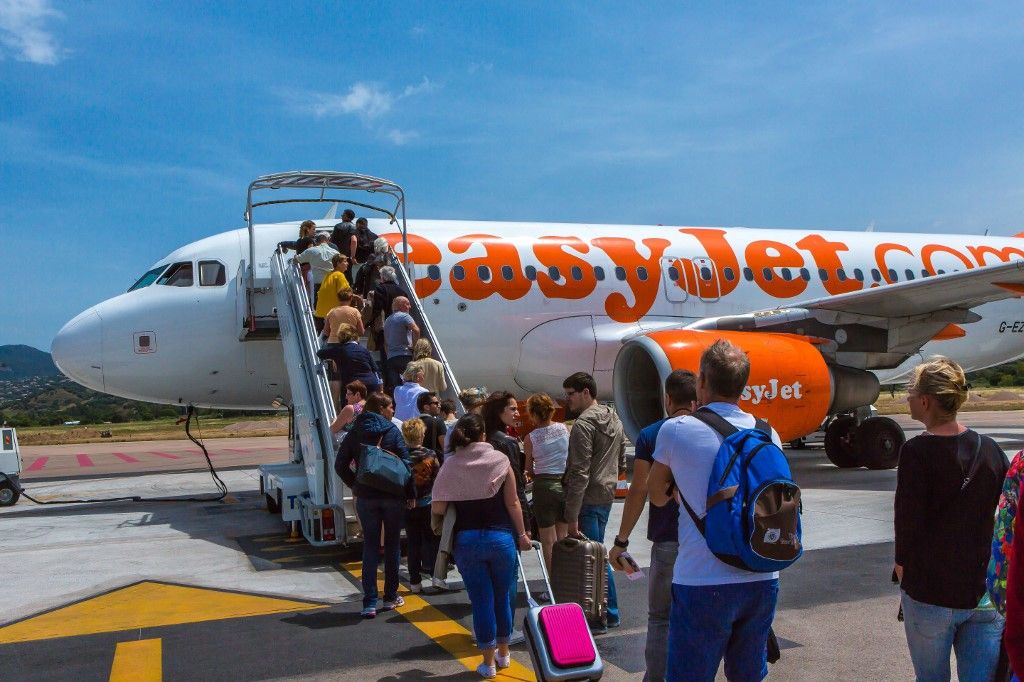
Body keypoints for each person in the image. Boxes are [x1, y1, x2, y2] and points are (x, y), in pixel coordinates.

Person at [647, 340, 784, 682]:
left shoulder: (676, 430)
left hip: (702, 579)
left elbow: (656, 496)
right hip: (762, 574)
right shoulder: (768, 433)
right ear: (743, 385)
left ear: (702, 381)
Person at [893, 357, 1007, 682]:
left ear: (926, 401)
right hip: (983, 592)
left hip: (931, 593)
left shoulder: (916, 452)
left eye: (911, 391)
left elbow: (907, 522)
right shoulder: (990, 449)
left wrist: (902, 568)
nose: (907, 397)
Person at [609, 370, 696, 682]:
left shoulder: (652, 434)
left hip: (667, 541)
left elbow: (639, 490)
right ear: (696, 400)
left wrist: (621, 541)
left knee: (660, 618)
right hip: (703, 543)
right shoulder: (710, 430)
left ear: (668, 399)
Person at [432, 414, 532, 679]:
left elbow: (438, 507)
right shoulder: (501, 461)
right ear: (484, 436)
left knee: (481, 601)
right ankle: (504, 654)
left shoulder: (451, 464)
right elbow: (513, 502)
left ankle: (488, 664)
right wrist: (522, 534)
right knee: (503, 597)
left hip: (467, 541)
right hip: (502, 539)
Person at [335, 392, 414, 619]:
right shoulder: (391, 431)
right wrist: (410, 493)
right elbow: (406, 465)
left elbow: (340, 465)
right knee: (392, 545)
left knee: (370, 546)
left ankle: (369, 602)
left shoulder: (355, 431)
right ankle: (390, 597)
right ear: (381, 408)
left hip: (366, 497)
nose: (393, 411)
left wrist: (356, 485)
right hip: (392, 495)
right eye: (390, 407)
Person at [561, 371, 625, 631]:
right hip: (606, 493)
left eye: (571, 394)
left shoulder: (583, 425)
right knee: (598, 553)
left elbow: (579, 472)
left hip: (587, 497)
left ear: (586, 392)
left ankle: (607, 613)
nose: (567, 399)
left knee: (594, 558)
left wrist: (571, 515)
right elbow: (621, 461)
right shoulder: (614, 418)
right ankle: (608, 612)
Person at [523, 393, 570, 570]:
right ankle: (566, 578)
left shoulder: (531, 438)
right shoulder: (565, 429)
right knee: (563, 536)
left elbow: (529, 469)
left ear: (532, 414)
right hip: (565, 483)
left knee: (548, 540)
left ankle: (553, 581)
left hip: (543, 486)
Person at [482, 391, 532, 538]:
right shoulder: (507, 442)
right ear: (499, 411)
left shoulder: (481, 438)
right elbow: (516, 487)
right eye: (513, 409)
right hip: (507, 512)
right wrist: (525, 525)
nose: (517, 413)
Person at [402, 417, 441, 594]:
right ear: (422, 435)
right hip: (428, 504)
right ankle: (435, 577)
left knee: (413, 543)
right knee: (432, 540)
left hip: (408, 505)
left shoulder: (400, 455)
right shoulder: (430, 455)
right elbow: (438, 478)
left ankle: (415, 582)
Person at [317, 323, 382, 401]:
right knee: (369, 407)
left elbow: (320, 353)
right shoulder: (363, 350)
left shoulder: (339, 350)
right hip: (371, 383)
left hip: (353, 385)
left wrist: (333, 356)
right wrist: (380, 388)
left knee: (350, 407)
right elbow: (376, 369)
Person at [369, 266, 410, 366]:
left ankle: (387, 372)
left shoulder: (380, 289)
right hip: (400, 325)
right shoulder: (402, 291)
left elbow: (378, 308)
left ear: (383, 277)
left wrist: (371, 322)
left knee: (385, 350)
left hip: (386, 325)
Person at [383, 296, 420, 393]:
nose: (410, 307)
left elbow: (385, 343)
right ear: (400, 305)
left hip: (391, 358)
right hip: (404, 355)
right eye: (407, 304)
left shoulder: (387, 320)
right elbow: (416, 330)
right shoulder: (405, 316)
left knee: (396, 388)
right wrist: (414, 348)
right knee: (410, 385)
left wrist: (389, 355)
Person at [296, 233, 340, 304]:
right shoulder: (336, 252)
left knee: (319, 307)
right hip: (334, 285)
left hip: (320, 285)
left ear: (316, 242)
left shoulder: (311, 251)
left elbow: (297, 260)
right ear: (328, 241)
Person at [313, 255, 351, 333]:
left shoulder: (328, 275)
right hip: (333, 315)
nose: (347, 263)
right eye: (345, 261)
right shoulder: (339, 275)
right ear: (338, 263)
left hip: (321, 313)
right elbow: (345, 295)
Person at [416, 391, 448, 456]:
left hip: (418, 461)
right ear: (426, 407)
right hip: (435, 460)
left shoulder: (412, 424)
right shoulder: (438, 422)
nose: (439, 405)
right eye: (436, 403)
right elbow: (446, 448)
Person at [329, 209, 357, 280]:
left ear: (347, 217)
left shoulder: (338, 226)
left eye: (343, 215)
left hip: (338, 256)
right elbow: (354, 241)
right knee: (349, 275)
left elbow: (332, 242)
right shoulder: (355, 228)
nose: (341, 216)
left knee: (337, 275)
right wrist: (352, 256)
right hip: (349, 257)